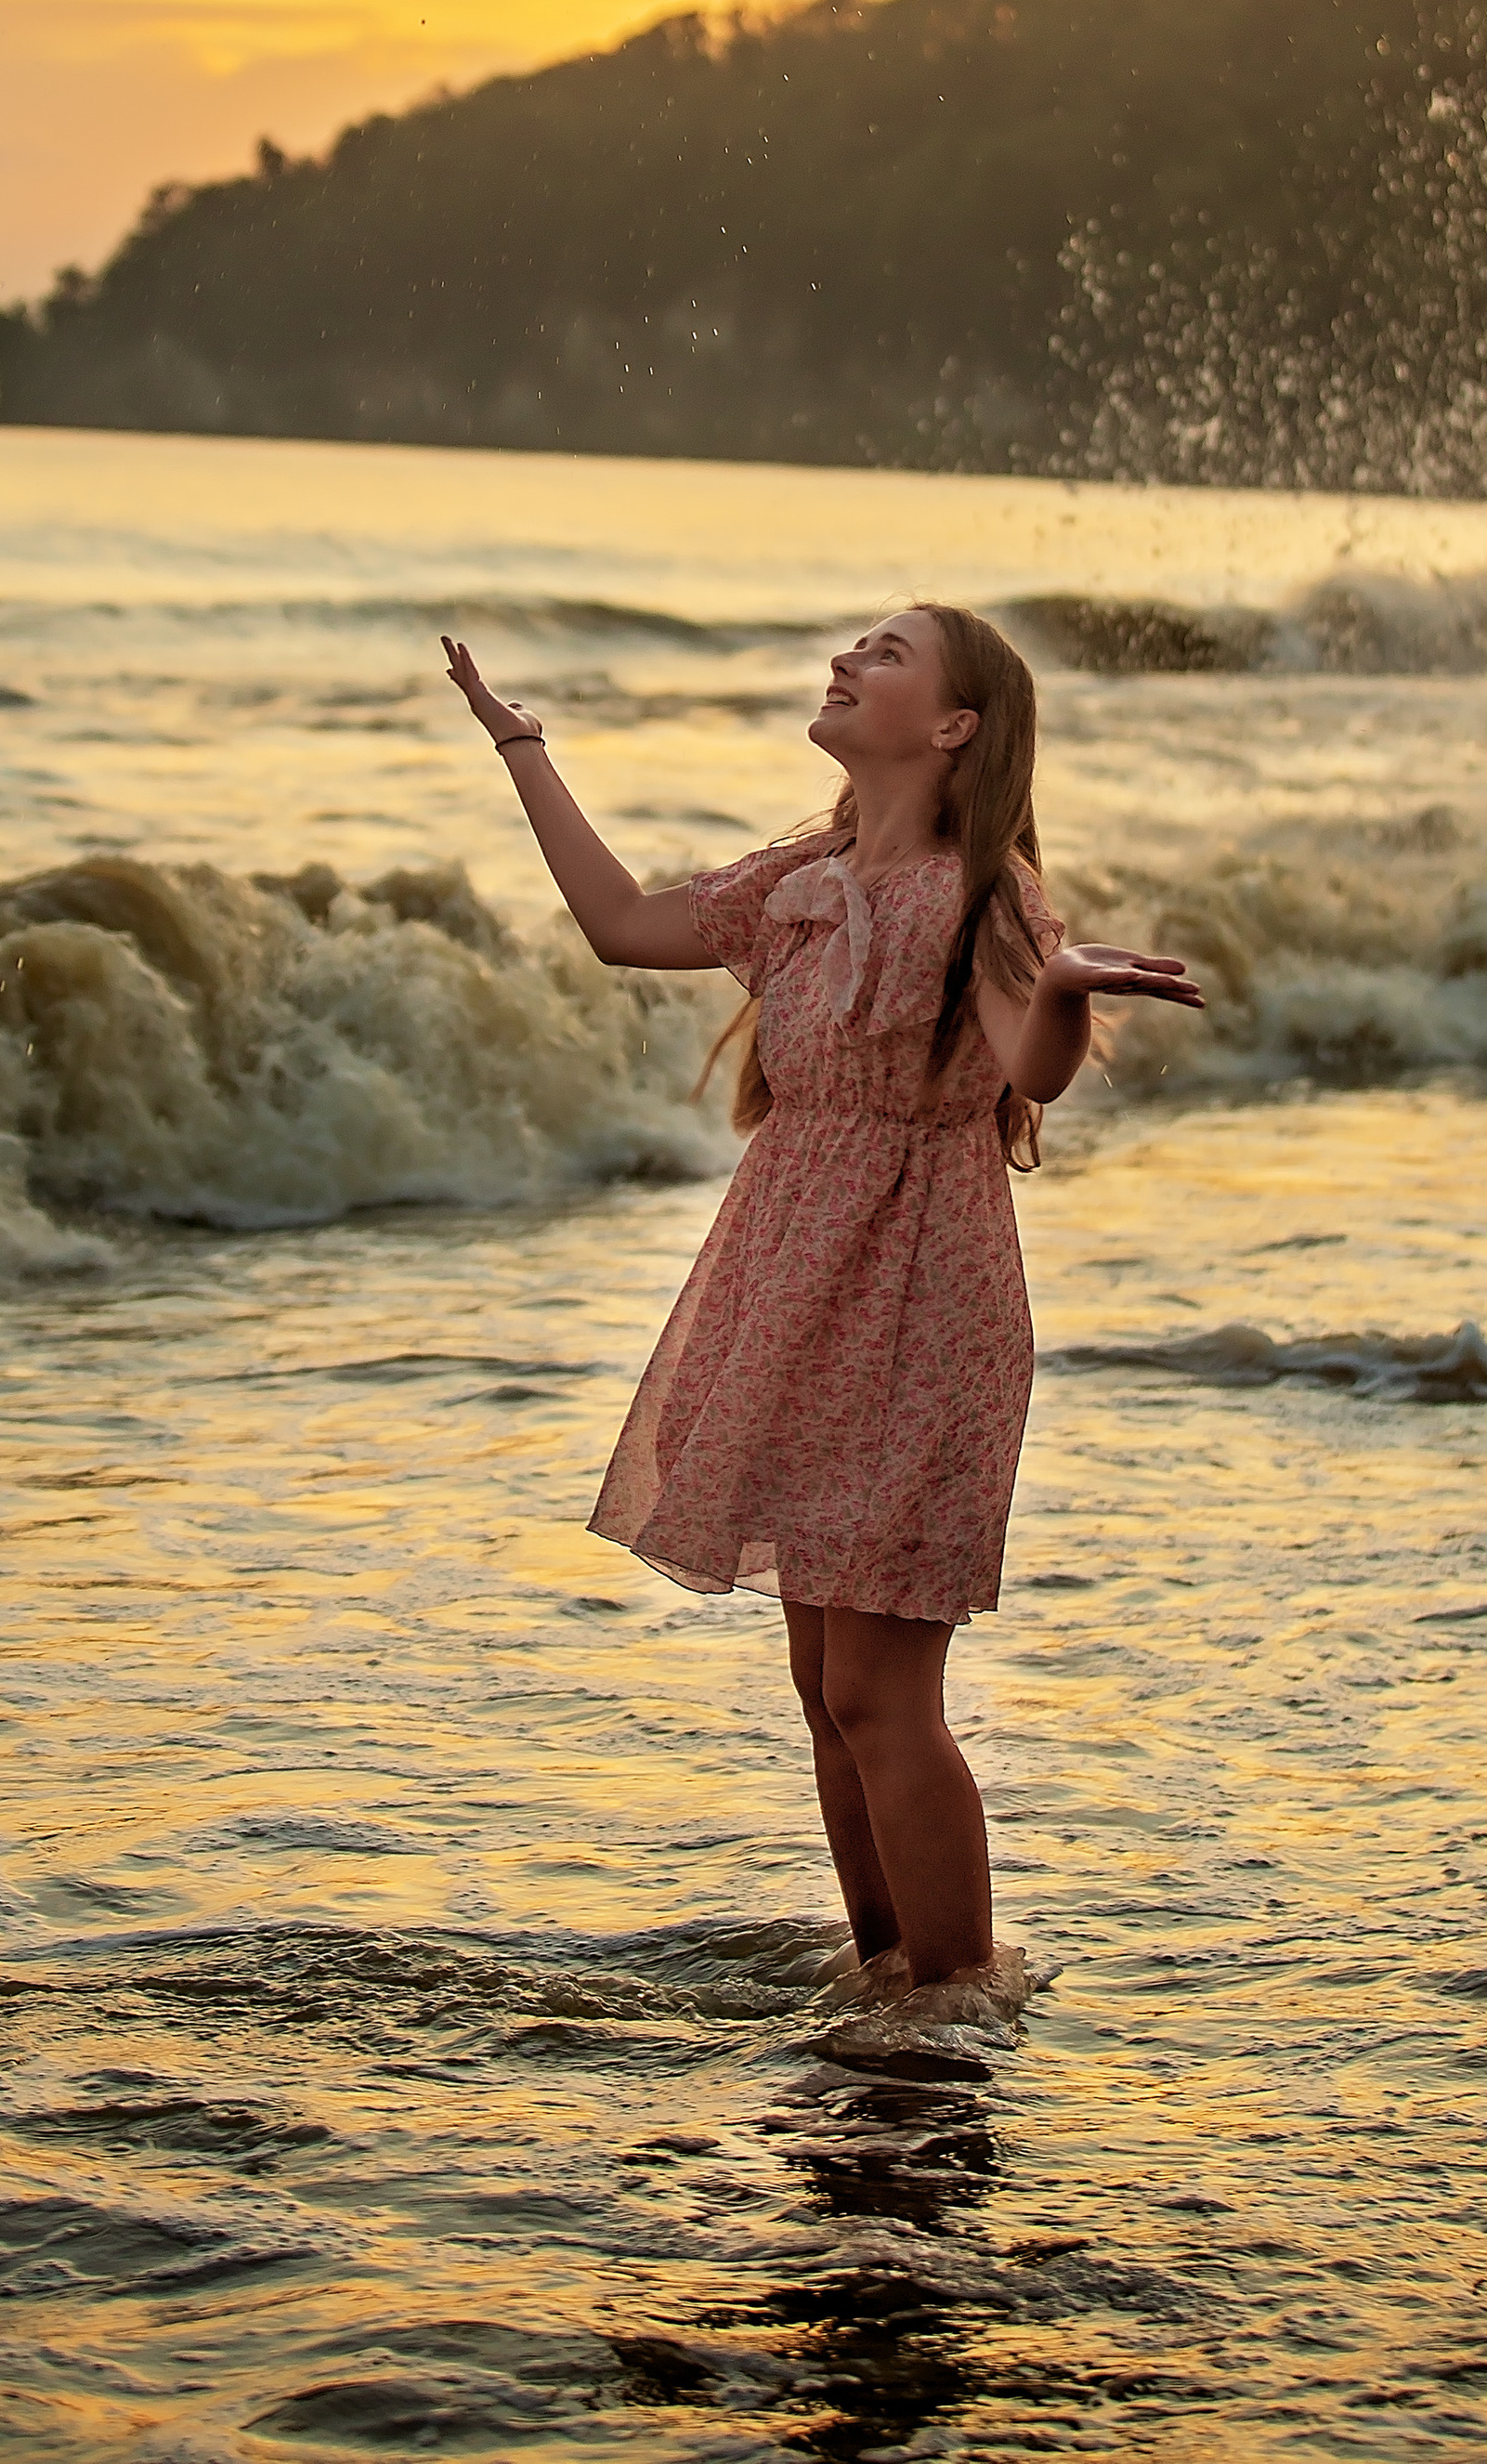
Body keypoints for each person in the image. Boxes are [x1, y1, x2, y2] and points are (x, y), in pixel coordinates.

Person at [442, 603, 1202, 2017]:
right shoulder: (803, 878)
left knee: (879, 1689)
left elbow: (1025, 1071)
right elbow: (619, 927)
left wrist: (1074, 993)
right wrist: (523, 747)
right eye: (855, 644)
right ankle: (887, 1979)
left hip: (922, 1300)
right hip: (796, 1289)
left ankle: (961, 2007)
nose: (850, 660)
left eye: (889, 654)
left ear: (954, 726)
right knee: (821, 1683)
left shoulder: (986, 895)